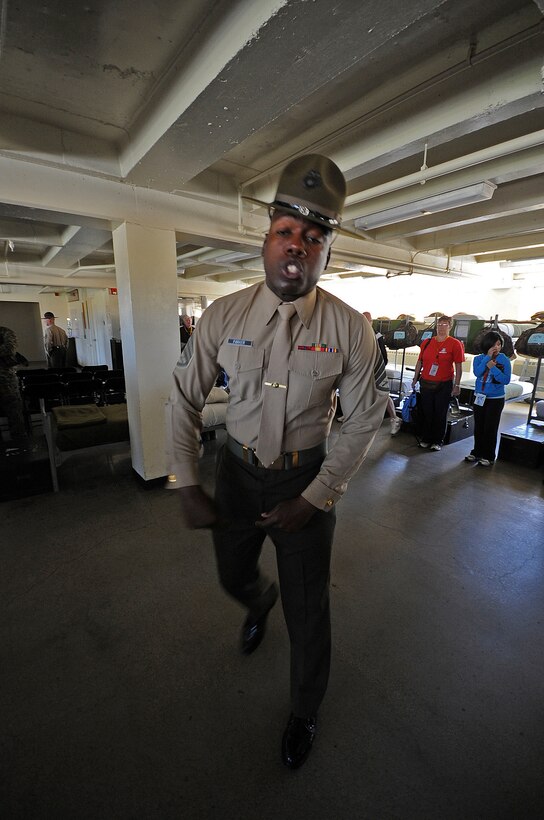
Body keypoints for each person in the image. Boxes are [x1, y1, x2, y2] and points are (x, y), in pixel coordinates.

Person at [166, 154, 389, 769]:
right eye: (287, 232)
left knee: (309, 609)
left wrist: (314, 498)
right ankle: (255, 601)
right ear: (266, 239)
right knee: (233, 576)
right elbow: (183, 398)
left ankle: (303, 709)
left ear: (327, 251)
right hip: (236, 475)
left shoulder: (351, 330)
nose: (298, 247)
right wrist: (186, 479)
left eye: (313, 238)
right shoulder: (223, 316)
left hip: (304, 476)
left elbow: (367, 416)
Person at [411, 315, 464, 451]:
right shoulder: (427, 342)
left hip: (444, 383)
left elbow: (458, 366)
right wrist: (415, 378)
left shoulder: (455, 343)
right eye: (439, 324)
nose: (441, 327)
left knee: (440, 413)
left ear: (450, 327)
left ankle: (437, 440)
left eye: (445, 324)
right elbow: (419, 361)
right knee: (427, 411)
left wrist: (457, 384)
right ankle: (426, 438)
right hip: (426, 383)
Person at [464, 331, 511, 466]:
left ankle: (489, 455)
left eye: (499, 344)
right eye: (493, 344)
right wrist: (487, 359)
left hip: (495, 399)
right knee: (479, 426)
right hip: (480, 396)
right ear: (487, 344)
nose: (496, 347)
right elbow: (478, 373)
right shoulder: (478, 358)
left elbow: (505, 380)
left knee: (490, 427)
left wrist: (493, 368)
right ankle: (477, 452)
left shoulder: (504, 360)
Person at [363, 311, 401, 435]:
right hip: (361, 371)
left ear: (371, 322)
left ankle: (394, 418)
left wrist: (377, 369)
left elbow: (384, 357)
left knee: (383, 394)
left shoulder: (377, 336)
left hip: (375, 370)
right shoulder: (357, 334)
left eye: (367, 320)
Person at [0, 326, 29, 447]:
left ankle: (20, 445)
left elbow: (10, 350)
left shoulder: (4, 332)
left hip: (8, 387)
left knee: (16, 419)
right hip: (8, 384)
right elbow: (10, 350)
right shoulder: (5, 333)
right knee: (16, 418)